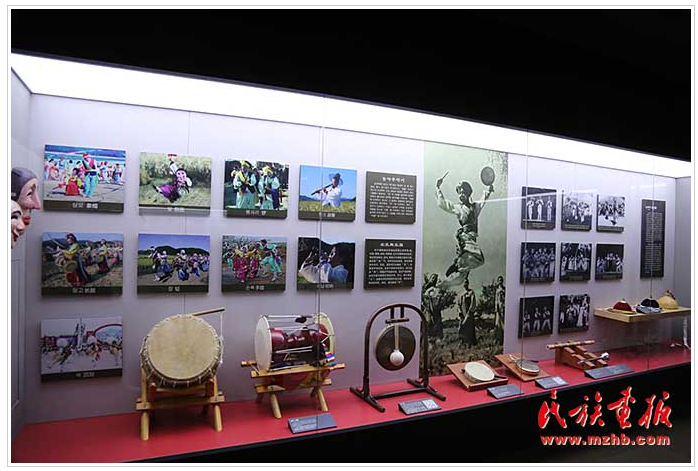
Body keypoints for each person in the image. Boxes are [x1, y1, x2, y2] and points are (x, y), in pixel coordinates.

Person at [435, 171, 493, 289]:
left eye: (463, 191)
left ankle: (444, 283)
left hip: (472, 239)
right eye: (459, 192)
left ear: (468, 193)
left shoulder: (475, 207)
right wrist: (438, 188)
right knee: (480, 259)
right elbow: (444, 203)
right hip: (465, 238)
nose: (461, 194)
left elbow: (483, 199)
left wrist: (489, 189)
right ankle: (458, 264)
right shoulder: (458, 208)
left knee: (461, 278)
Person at [457, 279, 477, 346]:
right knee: (462, 326)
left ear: (468, 283)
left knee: (469, 327)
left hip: (469, 313)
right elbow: (458, 304)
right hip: (462, 313)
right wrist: (460, 312)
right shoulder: (461, 294)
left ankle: (470, 343)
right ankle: (463, 341)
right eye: (464, 283)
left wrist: (470, 312)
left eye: (466, 282)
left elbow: (473, 303)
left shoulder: (471, 292)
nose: (465, 284)